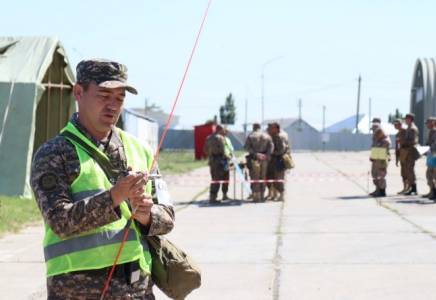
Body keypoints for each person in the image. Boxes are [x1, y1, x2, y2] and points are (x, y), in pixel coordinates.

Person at [31, 59, 175, 300]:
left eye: (120, 98)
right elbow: (59, 221)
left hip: (135, 287)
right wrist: (114, 198)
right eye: (103, 95)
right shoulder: (54, 153)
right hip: (77, 290)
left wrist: (148, 216)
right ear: (79, 92)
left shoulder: (140, 149)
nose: (112, 105)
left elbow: (168, 218)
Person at [244, 123, 274, 202]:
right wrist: (266, 155)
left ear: (253, 127)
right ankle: (262, 196)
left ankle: (256, 196)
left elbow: (246, 147)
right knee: (263, 177)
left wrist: (256, 154)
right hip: (264, 160)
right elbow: (271, 147)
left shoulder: (251, 136)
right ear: (260, 127)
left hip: (254, 159)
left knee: (255, 177)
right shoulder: (267, 136)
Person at [266, 122, 290, 201]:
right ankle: (275, 194)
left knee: (278, 178)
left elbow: (281, 150)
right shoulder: (283, 134)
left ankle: (281, 195)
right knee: (275, 177)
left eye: (270, 128)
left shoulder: (279, 136)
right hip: (278, 159)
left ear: (275, 128)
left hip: (278, 160)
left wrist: (270, 153)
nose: (269, 130)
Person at [204, 124, 228, 202]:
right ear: (220, 130)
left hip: (211, 160)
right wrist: (227, 156)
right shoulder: (220, 138)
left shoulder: (208, 138)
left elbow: (206, 150)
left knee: (214, 178)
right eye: (224, 130)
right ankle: (213, 197)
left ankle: (212, 196)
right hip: (219, 160)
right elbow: (223, 150)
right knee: (218, 178)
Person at [399, 113, 420, 195]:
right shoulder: (408, 128)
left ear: (410, 119)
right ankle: (411, 188)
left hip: (410, 152)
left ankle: (414, 189)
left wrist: (403, 141)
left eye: (406, 119)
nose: (405, 120)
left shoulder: (412, 129)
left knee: (410, 170)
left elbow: (413, 141)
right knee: (407, 170)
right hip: (407, 152)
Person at [369, 128, 392, 197]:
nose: (377, 137)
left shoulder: (385, 141)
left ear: (381, 133)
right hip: (379, 158)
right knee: (376, 175)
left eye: (378, 135)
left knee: (381, 175)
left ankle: (382, 191)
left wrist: (374, 156)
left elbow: (381, 150)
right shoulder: (381, 139)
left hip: (382, 159)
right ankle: (378, 189)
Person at [393, 118, 408, 194]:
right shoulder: (397, 134)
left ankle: (409, 187)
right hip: (401, 155)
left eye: (396, 124)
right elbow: (397, 147)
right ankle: (404, 187)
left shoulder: (406, 132)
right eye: (394, 124)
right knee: (403, 172)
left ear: (400, 124)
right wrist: (396, 159)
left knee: (407, 171)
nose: (395, 126)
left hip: (407, 154)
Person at [423, 118, 436, 198]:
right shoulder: (431, 132)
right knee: (429, 175)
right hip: (431, 156)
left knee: (434, 174)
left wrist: (430, 149)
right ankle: (432, 191)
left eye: (428, 123)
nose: (427, 125)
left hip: (434, 155)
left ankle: (434, 193)